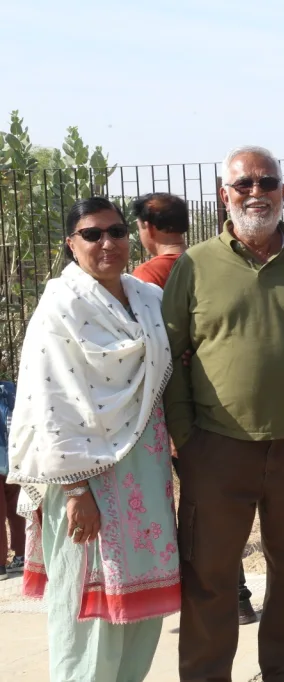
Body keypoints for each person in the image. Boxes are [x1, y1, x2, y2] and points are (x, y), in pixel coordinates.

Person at [163, 145, 284, 682]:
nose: (255, 192)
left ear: (282, 193)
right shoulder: (196, 265)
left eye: (266, 182)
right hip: (216, 451)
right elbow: (170, 357)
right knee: (209, 579)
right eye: (243, 183)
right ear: (224, 195)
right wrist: (186, 436)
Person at [6, 197, 180, 681]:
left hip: (143, 468)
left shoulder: (146, 297)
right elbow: (49, 400)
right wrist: (77, 490)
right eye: (92, 234)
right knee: (88, 608)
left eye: (117, 231)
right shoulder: (59, 307)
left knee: (139, 608)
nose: (107, 243)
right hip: (84, 477)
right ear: (71, 243)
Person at [131, 191, 259, 626]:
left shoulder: (145, 276)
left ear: (147, 228)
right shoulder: (205, 265)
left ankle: (215, 600)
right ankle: (235, 598)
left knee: (194, 515)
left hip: (171, 413)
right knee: (216, 509)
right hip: (215, 408)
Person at [0, 379, 25, 580]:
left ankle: (1, 565)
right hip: (12, 457)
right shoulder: (10, 390)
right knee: (17, 508)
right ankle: (22, 554)